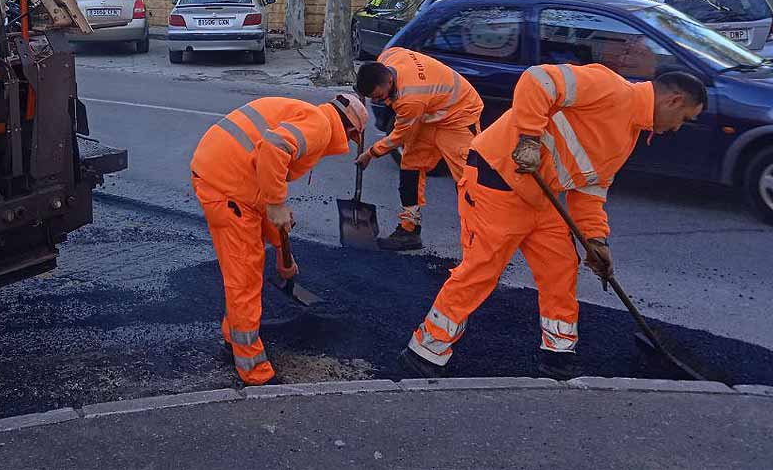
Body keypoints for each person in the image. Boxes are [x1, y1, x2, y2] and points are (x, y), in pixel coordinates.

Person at [399, 66, 707, 379]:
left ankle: (559, 354)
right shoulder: (610, 87)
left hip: (539, 195)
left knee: (560, 267)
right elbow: (537, 80)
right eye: (685, 118)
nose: (678, 128)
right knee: (481, 269)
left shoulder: (628, 135)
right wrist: (530, 139)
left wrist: (596, 240)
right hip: (498, 178)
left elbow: (589, 189)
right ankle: (426, 350)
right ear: (674, 101)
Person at [190, 94, 369, 385]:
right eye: (352, 139)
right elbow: (274, 147)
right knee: (244, 277)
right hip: (227, 186)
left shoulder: (309, 115)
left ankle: (232, 337)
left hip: (233, 176)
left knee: (248, 267)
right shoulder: (322, 127)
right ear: (350, 131)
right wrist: (275, 204)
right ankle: (253, 371)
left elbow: (268, 174)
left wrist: (283, 255)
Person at [354, 48, 484, 250]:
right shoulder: (388, 57)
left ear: (389, 81)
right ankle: (409, 230)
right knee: (410, 166)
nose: (378, 101)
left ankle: (480, 241)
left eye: (379, 96)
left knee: (468, 179)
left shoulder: (410, 99)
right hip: (429, 113)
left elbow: (399, 136)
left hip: (459, 114)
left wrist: (371, 153)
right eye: (372, 98)